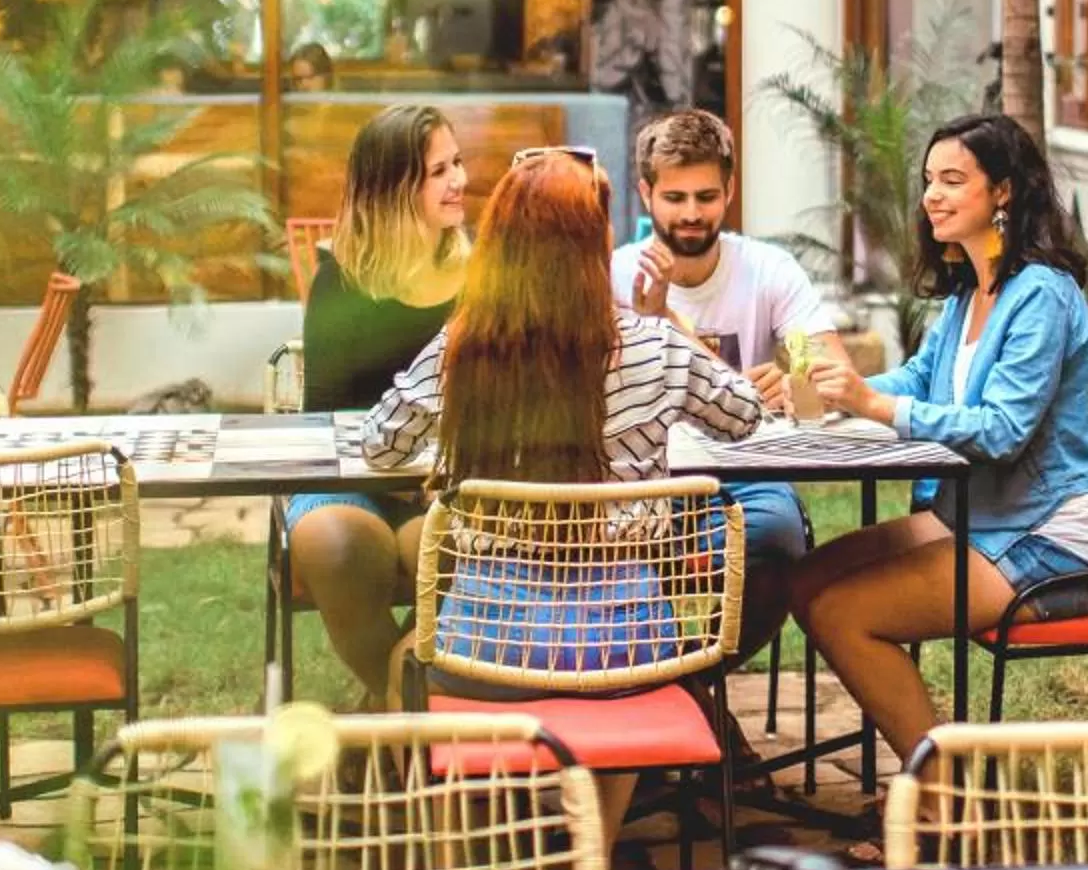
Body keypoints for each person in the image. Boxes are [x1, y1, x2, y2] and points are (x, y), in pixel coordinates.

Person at [360, 150, 762, 827]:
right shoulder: (653, 347)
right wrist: (670, 325)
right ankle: (594, 850)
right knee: (625, 667)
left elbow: (380, 443)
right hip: (629, 645)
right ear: (597, 245)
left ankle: (462, 852)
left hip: (485, 643)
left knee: (408, 662)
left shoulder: (466, 346)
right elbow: (744, 417)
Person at [792, 113, 1088, 765]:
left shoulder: (1043, 297)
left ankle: (942, 803)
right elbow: (923, 377)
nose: (932, 196)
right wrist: (835, 387)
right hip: (982, 520)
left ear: (1002, 191)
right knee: (807, 582)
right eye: (928, 181)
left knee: (843, 612)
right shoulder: (972, 290)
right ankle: (927, 762)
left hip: (1056, 544)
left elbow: (1002, 431)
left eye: (953, 180)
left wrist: (872, 403)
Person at [610, 109, 844, 656]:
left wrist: (795, 375)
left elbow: (826, 364)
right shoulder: (612, 273)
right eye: (675, 198)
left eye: (706, 196)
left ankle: (696, 690)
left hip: (744, 475)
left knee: (778, 541)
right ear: (646, 194)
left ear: (730, 191)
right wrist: (659, 318)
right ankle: (682, 701)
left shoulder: (769, 269)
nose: (692, 213)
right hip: (634, 477)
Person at [283, 105, 468, 694]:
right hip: (353, 475)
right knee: (335, 544)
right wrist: (391, 474)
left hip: (447, 483)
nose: (460, 180)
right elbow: (324, 416)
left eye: (457, 162)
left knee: (455, 550)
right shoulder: (342, 280)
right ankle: (398, 708)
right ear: (393, 189)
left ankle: (391, 724)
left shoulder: (481, 275)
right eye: (438, 171)